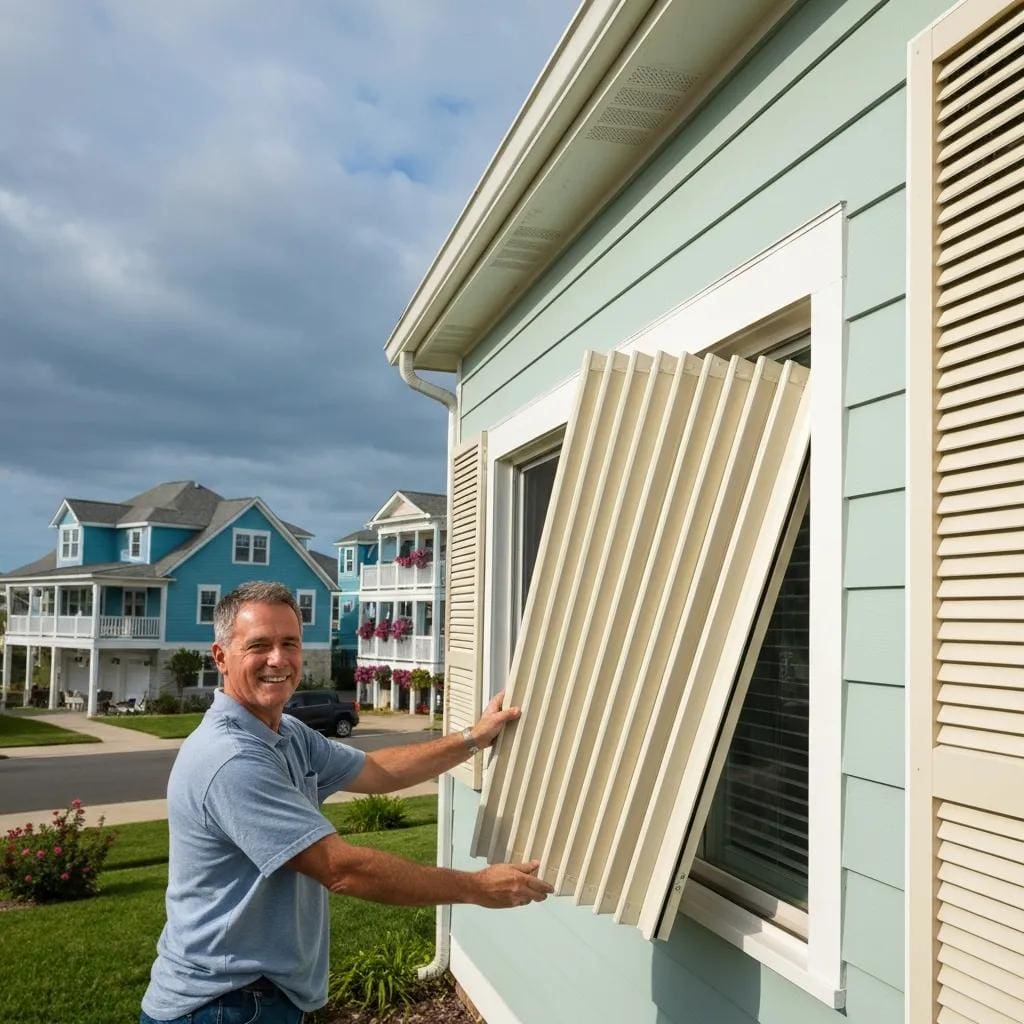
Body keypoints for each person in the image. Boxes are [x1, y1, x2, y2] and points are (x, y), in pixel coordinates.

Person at [140, 581, 551, 1024]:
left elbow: (376, 770)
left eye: (289, 643)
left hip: (257, 998)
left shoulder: (287, 733)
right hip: (224, 1004)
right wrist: (477, 888)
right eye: (259, 645)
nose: (278, 659)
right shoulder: (231, 759)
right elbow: (340, 869)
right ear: (221, 656)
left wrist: (473, 738)